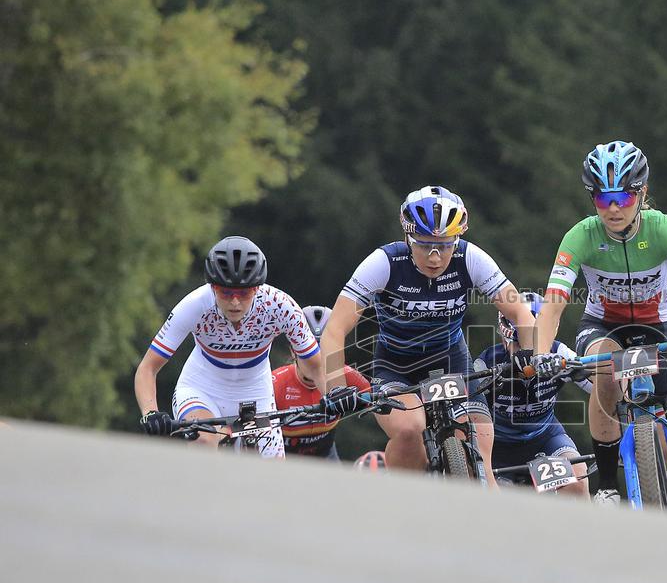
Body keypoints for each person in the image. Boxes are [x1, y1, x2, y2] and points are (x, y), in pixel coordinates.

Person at [531, 140, 667, 514]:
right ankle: (608, 485)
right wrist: (540, 354)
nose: (612, 209)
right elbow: (553, 305)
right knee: (606, 372)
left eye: (623, 199)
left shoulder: (664, 228)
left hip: (660, 328)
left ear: (641, 193)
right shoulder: (581, 236)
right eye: (602, 198)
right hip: (603, 327)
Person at [320, 186, 536, 484]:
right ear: (408, 238)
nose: (435, 257)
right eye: (424, 245)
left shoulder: (470, 258)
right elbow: (335, 329)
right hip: (397, 366)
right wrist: (335, 388)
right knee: (409, 430)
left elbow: (521, 312)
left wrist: (528, 354)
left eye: (445, 246)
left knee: (480, 447)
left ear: (456, 241)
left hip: (452, 360)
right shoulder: (384, 263)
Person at [134, 236, 356, 457]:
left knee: (267, 474)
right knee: (204, 441)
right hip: (201, 389)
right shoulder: (194, 306)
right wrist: (150, 412)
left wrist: (334, 392)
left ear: (257, 288)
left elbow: (315, 366)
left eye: (243, 293)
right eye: (225, 292)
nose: (235, 302)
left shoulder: (280, 306)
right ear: (212, 287)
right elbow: (147, 368)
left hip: (255, 395)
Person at [474, 292, 592, 497]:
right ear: (505, 338)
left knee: (578, 478)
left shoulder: (558, 353)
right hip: (499, 448)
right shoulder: (486, 361)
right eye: (520, 346)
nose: (528, 355)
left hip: (545, 437)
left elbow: (596, 385)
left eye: (536, 344)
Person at [272, 306, 371, 459]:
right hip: (283, 459)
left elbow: (376, 398)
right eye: (308, 350)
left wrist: (361, 400)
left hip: (325, 456)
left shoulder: (345, 375)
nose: (317, 358)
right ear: (293, 350)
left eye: (322, 348)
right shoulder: (276, 382)